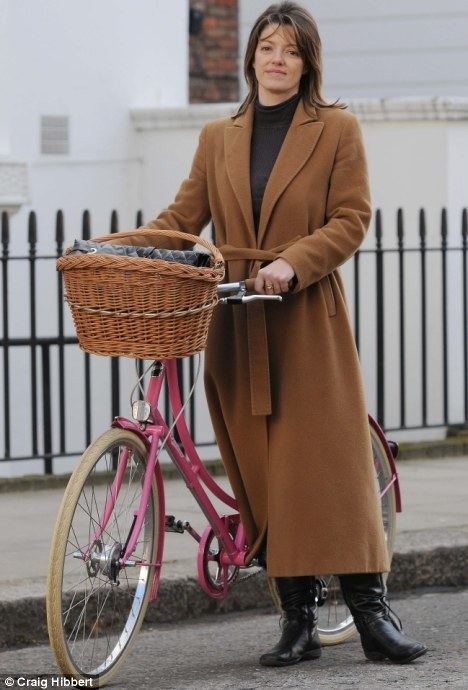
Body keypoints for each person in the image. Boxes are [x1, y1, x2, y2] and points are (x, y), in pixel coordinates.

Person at [93, 0, 427, 669]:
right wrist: (115, 247)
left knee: (328, 469)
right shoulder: (219, 136)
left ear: (308, 63)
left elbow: (351, 218)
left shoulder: (336, 128)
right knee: (265, 472)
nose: (277, 59)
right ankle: (296, 621)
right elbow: (182, 217)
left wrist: (291, 262)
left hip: (305, 319)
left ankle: (371, 612)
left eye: (291, 50)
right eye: (267, 46)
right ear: (251, 57)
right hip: (237, 321)